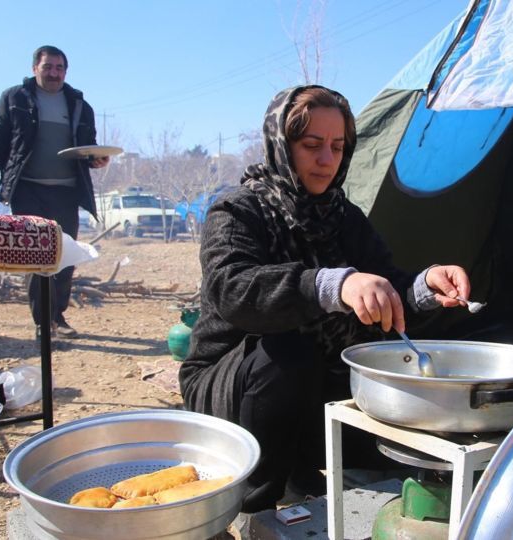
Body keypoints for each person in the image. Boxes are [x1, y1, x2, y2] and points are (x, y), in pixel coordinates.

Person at [179, 85, 472, 513]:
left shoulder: (343, 217)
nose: (326, 160)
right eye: (311, 145)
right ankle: (255, 505)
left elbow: (389, 289)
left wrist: (427, 287)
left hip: (320, 384)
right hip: (234, 384)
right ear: (281, 144)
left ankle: (302, 468)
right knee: (289, 352)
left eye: (337, 147)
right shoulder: (239, 211)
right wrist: (331, 285)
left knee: (385, 437)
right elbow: (233, 290)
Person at [0, 45, 109, 338]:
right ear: (34, 69)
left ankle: (59, 317)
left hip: (67, 191)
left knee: (65, 254)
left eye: (59, 68)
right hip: (27, 189)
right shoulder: (14, 98)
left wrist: (97, 159)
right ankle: (44, 322)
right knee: (37, 257)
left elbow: (86, 147)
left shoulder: (80, 105)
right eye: (48, 67)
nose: (54, 73)